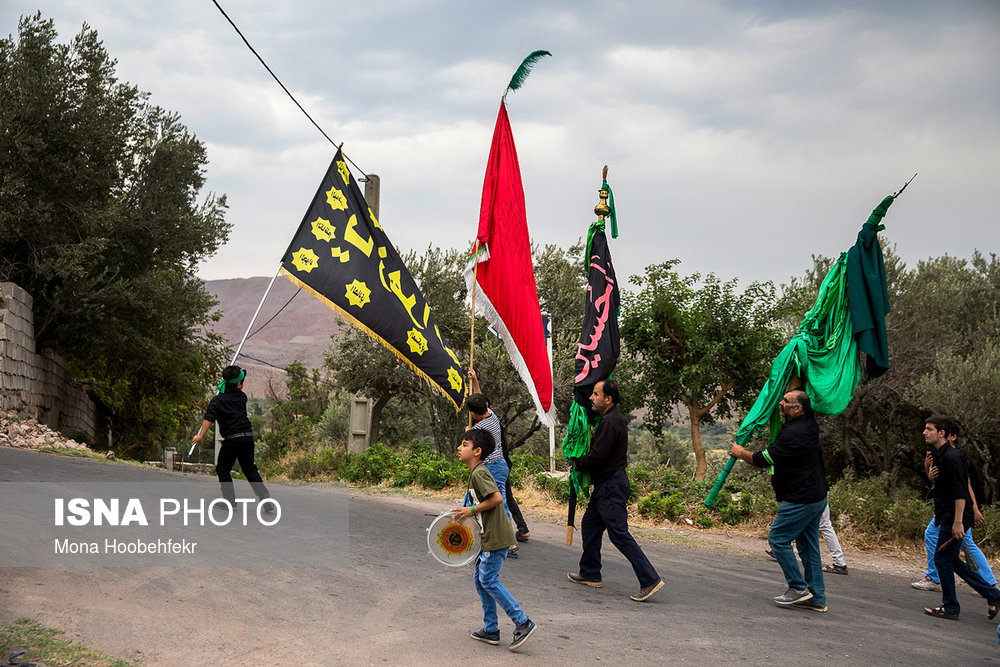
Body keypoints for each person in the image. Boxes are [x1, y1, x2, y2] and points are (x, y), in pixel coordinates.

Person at [730, 389, 828, 612]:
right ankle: (817, 597)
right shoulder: (808, 423)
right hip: (815, 496)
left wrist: (740, 451)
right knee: (808, 547)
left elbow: (762, 459)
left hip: (800, 498)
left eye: (786, 401)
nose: (781, 404)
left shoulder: (796, 433)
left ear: (798, 408)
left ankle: (798, 588)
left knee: (778, 539)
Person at [567, 379, 664, 602]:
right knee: (590, 526)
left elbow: (599, 455)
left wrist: (578, 461)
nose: (591, 398)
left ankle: (649, 579)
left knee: (619, 534)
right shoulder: (612, 418)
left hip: (611, 486)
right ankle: (590, 573)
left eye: (596, 395)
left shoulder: (611, 422)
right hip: (606, 486)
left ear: (608, 399)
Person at [451, 429, 536, 651]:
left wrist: (470, 510)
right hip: (487, 536)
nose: (459, 448)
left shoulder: (480, 473)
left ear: (477, 451)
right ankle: (491, 629)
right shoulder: (476, 472)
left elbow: (497, 498)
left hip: (496, 537)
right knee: (481, 579)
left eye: (464, 444)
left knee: (488, 580)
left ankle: (523, 622)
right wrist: (466, 512)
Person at [919, 415, 1000, 621]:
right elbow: (943, 487)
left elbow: (960, 491)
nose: (925, 432)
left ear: (942, 433)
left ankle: (951, 606)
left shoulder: (952, 457)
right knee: (950, 560)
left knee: (942, 559)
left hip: (955, 516)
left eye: (929, 429)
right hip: (946, 514)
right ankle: (993, 595)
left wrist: (957, 522)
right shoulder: (939, 455)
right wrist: (930, 476)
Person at [191, 365, 271, 508]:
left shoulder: (217, 401)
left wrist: (200, 435)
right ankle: (265, 499)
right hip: (247, 437)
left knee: (222, 469)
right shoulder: (242, 397)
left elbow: (209, 418)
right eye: (242, 382)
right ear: (239, 384)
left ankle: (230, 502)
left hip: (233, 440)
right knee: (250, 469)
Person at [467, 368, 524, 557]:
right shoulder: (492, 415)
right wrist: (475, 380)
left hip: (490, 467)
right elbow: (480, 398)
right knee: (498, 503)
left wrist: (468, 431)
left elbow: (469, 446)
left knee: (492, 503)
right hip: (502, 465)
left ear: (474, 414)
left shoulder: (480, 428)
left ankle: (508, 544)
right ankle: (506, 543)